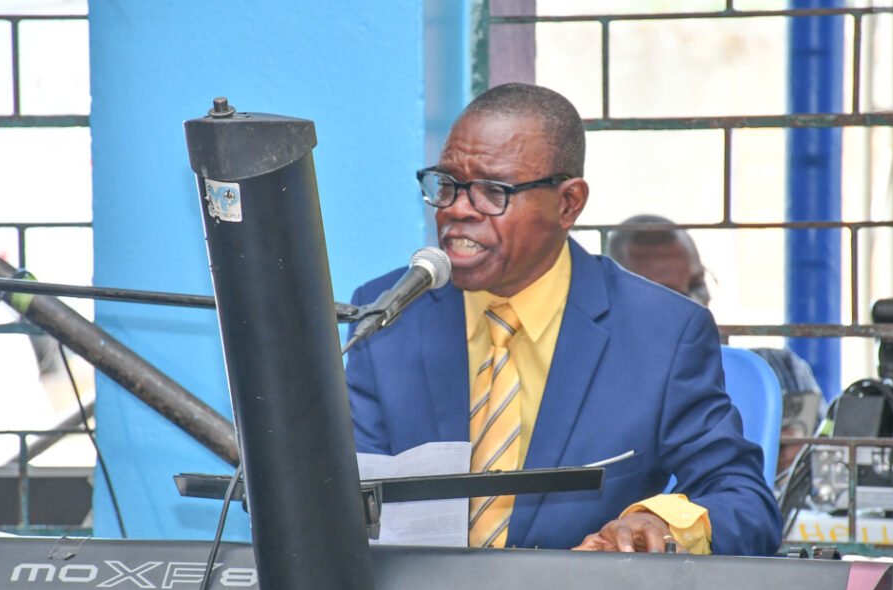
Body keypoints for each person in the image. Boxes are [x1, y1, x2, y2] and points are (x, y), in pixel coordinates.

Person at [346, 83, 781, 556]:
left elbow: (744, 503)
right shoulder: (389, 316)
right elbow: (341, 494)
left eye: (492, 191)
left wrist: (659, 524)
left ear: (568, 204)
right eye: (447, 184)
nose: (456, 209)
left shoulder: (662, 335)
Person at [608, 216, 826, 478]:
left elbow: (834, 475)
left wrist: (799, 463)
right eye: (671, 295)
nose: (695, 303)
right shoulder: (607, 387)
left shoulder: (780, 370)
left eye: (697, 285)